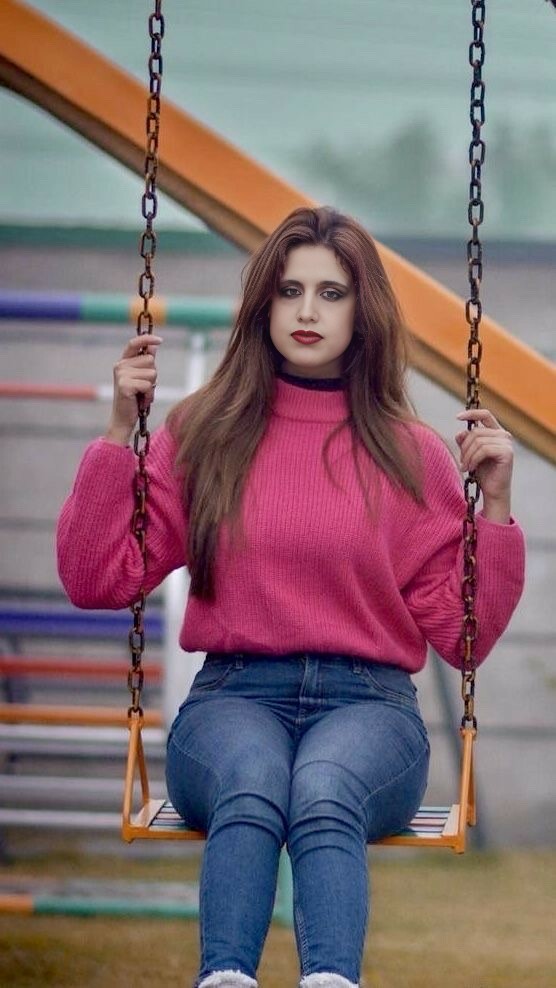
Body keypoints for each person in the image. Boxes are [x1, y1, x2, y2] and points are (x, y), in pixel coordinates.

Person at [57, 206, 525, 988]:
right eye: (290, 290)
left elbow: (463, 636)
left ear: (363, 311)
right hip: (234, 697)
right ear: (263, 305)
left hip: (370, 707)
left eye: (332, 293)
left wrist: (497, 507)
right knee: (252, 782)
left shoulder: (410, 453)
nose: (308, 311)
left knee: (323, 788)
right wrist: (116, 434)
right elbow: (95, 576)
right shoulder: (205, 432)